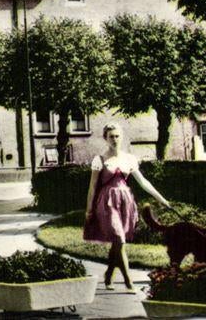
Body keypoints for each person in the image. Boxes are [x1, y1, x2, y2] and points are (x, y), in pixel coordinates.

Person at [83, 123, 170, 291]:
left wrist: (161, 199)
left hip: (126, 203)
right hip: (107, 204)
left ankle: (109, 274)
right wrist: (89, 210)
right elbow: (92, 187)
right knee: (119, 239)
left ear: (121, 137)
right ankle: (129, 281)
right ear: (105, 139)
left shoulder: (129, 159)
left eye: (117, 136)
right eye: (111, 137)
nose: (114, 139)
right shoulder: (99, 159)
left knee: (118, 243)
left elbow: (143, 182)